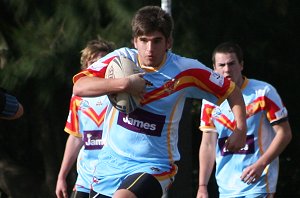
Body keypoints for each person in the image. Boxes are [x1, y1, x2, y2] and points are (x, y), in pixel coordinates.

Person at [73, 6, 248, 198]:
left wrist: (240, 129)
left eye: (157, 41)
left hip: (154, 166)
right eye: (144, 41)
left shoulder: (185, 70)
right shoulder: (120, 60)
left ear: (169, 42)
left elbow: (232, 91)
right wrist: (124, 84)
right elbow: (79, 87)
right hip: (111, 163)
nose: (150, 49)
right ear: (134, 41)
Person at [197, 42, 292, 198]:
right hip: (226, 188)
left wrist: (261, 164)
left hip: (258, 185)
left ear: (241, 65)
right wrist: (202, 186)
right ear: (214, 68)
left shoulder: (263, 92)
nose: (227, 69)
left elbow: (285, 134)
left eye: (231, 63)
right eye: (221, 65)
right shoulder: (209, 101)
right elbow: (208, 144)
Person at [55, 38, 115, 198]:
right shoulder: (79, 96)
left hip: (113, 177)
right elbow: (76, 137)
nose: (97, 67)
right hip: (85, 177)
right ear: (85, 68)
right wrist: (62, 176)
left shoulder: (120, 95)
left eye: (103, 61)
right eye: (92, 63)